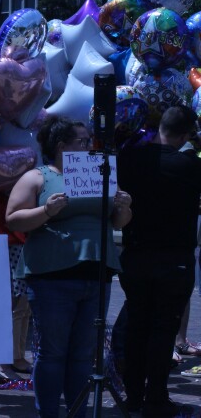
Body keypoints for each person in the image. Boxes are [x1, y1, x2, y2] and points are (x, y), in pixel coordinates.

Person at [5, 115, 132, 418]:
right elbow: (13, 219)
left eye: (89, 141)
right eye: (83, 141)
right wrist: (46, 210)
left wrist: (125, 207)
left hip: (96, 273)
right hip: (52, 275)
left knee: (83, 354)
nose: (89, 146)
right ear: (62, 146)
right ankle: (49, 413)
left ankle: (77, 413)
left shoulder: (99, 173)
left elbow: (118, 222)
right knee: (52, 352)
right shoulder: (38, 177)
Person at [117, 106, 201, 417]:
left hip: (136, 254)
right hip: (174, 258)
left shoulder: (130, 159)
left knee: (137, 326)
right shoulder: (189, 164)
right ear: (185, 135)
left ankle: (133, 396)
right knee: (163, 329)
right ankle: (156, 399)